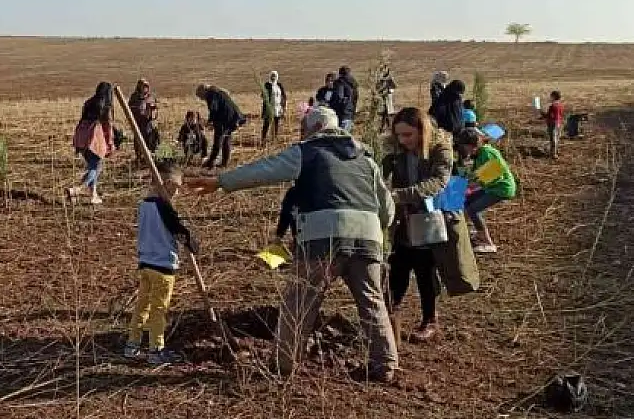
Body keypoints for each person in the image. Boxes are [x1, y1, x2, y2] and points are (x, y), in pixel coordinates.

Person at [185, 107, 398, 382]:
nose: (301, 133)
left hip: (323, 235)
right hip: (368, 236)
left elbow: (264, 170)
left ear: (314, 128)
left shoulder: (307, 151)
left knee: (300, 301)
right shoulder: (366, 160)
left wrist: (221, 181)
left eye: (303, 129)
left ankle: (284, 364)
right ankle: (386, 364)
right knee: (371, 300)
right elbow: (388, 210)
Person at [381, 108, 453, 342]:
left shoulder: (440, 148)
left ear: (423, 132)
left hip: (431, 218)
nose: (403, 140)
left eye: (408, 135)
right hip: (404, 220)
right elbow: (382, 174)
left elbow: (439, 182)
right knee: (398, 267)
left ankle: (430, 320)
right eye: (399, 135)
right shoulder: (395, 150)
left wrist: (399, 195)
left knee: (425, 270)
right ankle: (391, 319)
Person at [123, 160, 199, 365]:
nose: (177, 193)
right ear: (166, 184)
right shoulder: (165, 208)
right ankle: (157, 349)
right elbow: (178, 231)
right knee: (159, 309)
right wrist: (191, 241)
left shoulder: (144, 205)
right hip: (163, 267)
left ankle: (133, 344)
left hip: (146, 263)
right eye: (176, 187)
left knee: (142, 306)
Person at [458, 128, 516, 254]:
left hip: (501, 188)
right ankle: (480, 232)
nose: (463, 150)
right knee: (467, 201)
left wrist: (470, 186)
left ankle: (488, 243)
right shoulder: (479, 154)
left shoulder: (487, 153)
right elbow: (476, 174)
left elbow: (494, 175)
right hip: (492, 186)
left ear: (472, 145)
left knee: (472, 209)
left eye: (465, 146)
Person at [68, 82, 115, 204]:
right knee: (95, 167)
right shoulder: (105, 107)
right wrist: (110, 144)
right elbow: (108, 126)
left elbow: (82, 118)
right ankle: (77, 190)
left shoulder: (89, 102)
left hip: (81, 134)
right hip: (93, 137)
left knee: (93, 166)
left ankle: (93, 195)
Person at [196, 83, 245, 169]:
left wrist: (210, 121)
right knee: (226, 140)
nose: (201, 99)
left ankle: (210, 163)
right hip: (233, 118)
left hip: (225, 120)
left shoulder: (211, 94)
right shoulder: (219, 91)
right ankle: (224, 163)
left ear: (203, 92)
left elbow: (213, 109)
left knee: (218, 141)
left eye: (200, 96)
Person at [127, 79, 160, 162]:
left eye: (146, 86)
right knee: (139, 138)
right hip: (138, 121)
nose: (145, 88)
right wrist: (139, 109)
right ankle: (139, 156)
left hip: (149, 122)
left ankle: (150, 156)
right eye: (143, 86)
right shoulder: (134, 96)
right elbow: (130, 108)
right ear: (139, 86)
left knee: (150, 138)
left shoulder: (150, 96)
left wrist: (153, 108)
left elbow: (155, 106)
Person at [260, 71, 287, 143]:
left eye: (274, 76)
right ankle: (263, 139)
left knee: (276, 123)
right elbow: (262, 95)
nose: (273, 77)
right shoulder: (267, 85)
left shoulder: (279, 85)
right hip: (269, 108)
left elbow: (284, 96)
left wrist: (283, 107)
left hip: (278, 108)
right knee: (267, 124)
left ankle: (274, 138)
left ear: (277, 76)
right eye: (272, 76)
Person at [334, 66, 359, 131]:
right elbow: (355, 99)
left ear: (340, 73)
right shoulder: (354, 84)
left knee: (339, 137)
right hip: (350, 114)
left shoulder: (340, 83)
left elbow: (339, 97)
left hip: (340, 114)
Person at [542, 90, 564, 159]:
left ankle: (553, 154)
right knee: (557, 138)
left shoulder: (552, 106)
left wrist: (542, 114)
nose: (550, 98)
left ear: (554, 97)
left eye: (551, 96)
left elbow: (549, 116)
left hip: (552, 124)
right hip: (559, 123)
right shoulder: (560, 105)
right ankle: (556, 151)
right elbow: (560, 114)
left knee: (553, 139)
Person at [377, 69, 398, 133]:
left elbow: (394, 86)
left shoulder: (389, 79)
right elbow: (377, 89)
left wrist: (390, 90)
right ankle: (384, 128)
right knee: (384, 115)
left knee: (387, 115)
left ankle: (388, 128)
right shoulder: (379, 80)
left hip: (387, 99)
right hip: (382, 99)